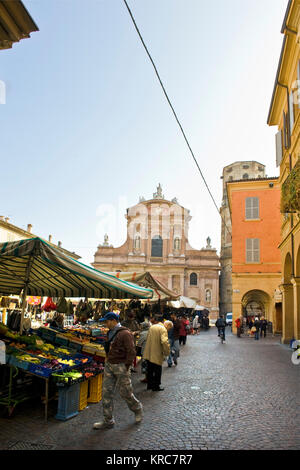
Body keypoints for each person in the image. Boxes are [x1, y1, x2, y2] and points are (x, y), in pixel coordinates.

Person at [93, 312, 143, 430]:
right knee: (106, 393)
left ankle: (137, 409)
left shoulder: (125, 333)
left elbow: (131, 351)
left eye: (106, 322)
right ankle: (108, 420)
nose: (105, 324)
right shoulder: (110, 332)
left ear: (113, 320)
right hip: (110, 365)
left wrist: (126, 366)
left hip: (121, 366)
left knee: (126, 392)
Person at [143, 314, 170, 391]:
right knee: (158, 370)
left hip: (149, 352)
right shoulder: (162, 329)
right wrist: (167, 352)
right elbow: (164, 341)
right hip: (157, 353)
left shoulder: (152, 327)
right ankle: (156, 386)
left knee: (150, 370)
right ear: (162, 321)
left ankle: (150, 385)